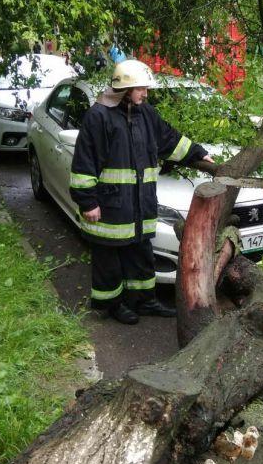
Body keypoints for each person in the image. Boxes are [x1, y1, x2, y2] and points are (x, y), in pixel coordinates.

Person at [70, 59, 213, 324]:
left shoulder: (145, 113)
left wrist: (197, 152)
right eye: (140, 88)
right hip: (111, 206)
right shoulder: (98, 116)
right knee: (109, 259)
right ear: (123, 89)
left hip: (139, 204)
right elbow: (84, 162)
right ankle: (112, 305)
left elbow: (169, 139)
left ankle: (144, 301)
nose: (145, 94)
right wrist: (87, 202)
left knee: (141, 254)